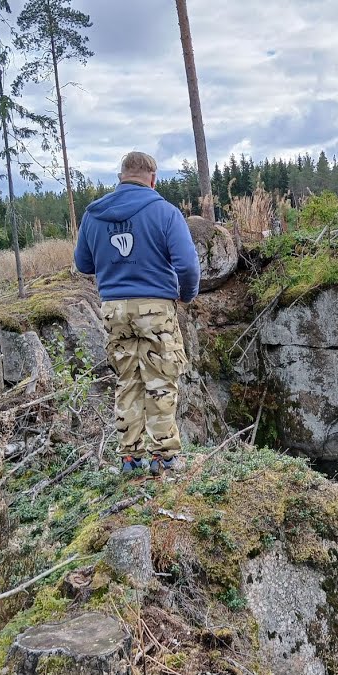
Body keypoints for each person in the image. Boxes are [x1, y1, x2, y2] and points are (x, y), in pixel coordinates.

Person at [74, 151, 201, 476]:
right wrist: (185, 295)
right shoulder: (165, 212)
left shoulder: (93, 214)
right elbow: (187, 265)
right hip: (155, 308)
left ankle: (130, 458)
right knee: (159, 380)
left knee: (128, 380)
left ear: (121, 177)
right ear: (153, 178)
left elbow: (83, 264)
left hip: (114, 309)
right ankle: (164, 458)